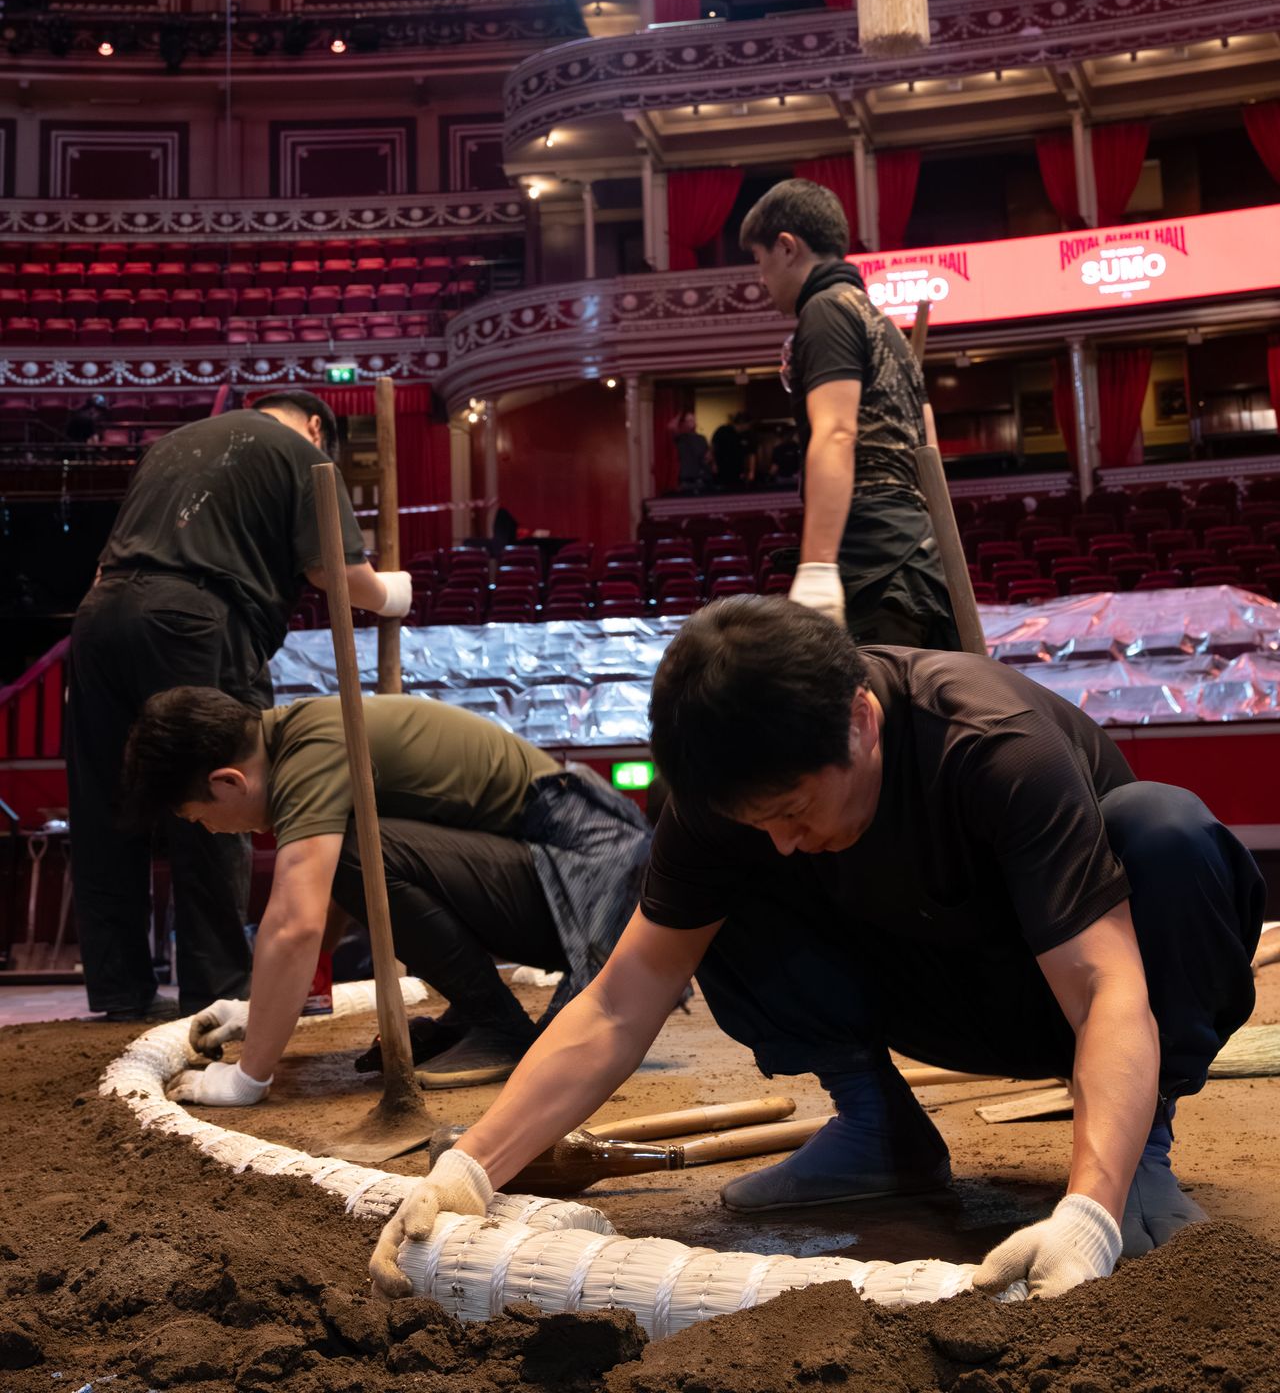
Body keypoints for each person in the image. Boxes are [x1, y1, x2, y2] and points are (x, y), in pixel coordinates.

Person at [366, 599, 1263, 1303]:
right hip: (927, 990)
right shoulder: (729, 811)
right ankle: (878, 1131)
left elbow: (1106, 987)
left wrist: (1089, 1217)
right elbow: (620, 998)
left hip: (1089, 1003)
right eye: (766, 820)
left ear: (863, 721)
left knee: (1165, 829)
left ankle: (1140, 1155)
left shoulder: (992, 748)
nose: (788, 839)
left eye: (797, 809)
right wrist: (471, 1168)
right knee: (708, 895)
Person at [119, 687, 652, 1102]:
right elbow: (322, 911)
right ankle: (478, 1016)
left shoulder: (313, 748)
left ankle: (496, 1024)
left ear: (228, 782)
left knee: (358, 853)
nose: (213, 831)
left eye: (200, 818)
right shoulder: (301, 737)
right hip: (556, 870)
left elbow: (296, 922)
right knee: (353, 856)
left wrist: (247, 1078)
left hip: (588, 879)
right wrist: (261, 1011)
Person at [65, 391, 412, 1023]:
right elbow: (333, 572)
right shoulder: (305, 457)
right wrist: (390, 594)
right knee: (220, 794)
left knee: (109, 803)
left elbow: (104, 564)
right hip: (192, 621)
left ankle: (118, 993)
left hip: (97, 618)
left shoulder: (170, 445)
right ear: (315, 426)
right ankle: (217, 990)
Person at [739, 178, 959, 648]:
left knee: (862, 721)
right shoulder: (885, 327)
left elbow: (836, 433)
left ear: (787, 247)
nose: (761, 279)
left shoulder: (825, 311)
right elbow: (930, 456)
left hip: (873, 566)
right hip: (919, 565)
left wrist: (817, 567)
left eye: (759, 262)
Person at [711, 412, 753, 491]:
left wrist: (750, 471)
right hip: (722, 470)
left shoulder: (745, 435)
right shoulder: (722, 431)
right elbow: (713, 447)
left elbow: (749, 454)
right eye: (748, 424)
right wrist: (714, 463)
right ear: (742, 423)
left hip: (738, 472)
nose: (749, 427)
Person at [670, 411, 710, 494]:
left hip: (700, 478)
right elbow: (671, 427)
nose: (690, 423)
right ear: (684, 423)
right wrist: (679, 414)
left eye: (692, 420)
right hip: (686, 478)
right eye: (688, 421)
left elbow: (707, 456)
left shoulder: (701, 438)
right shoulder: (681, 438)